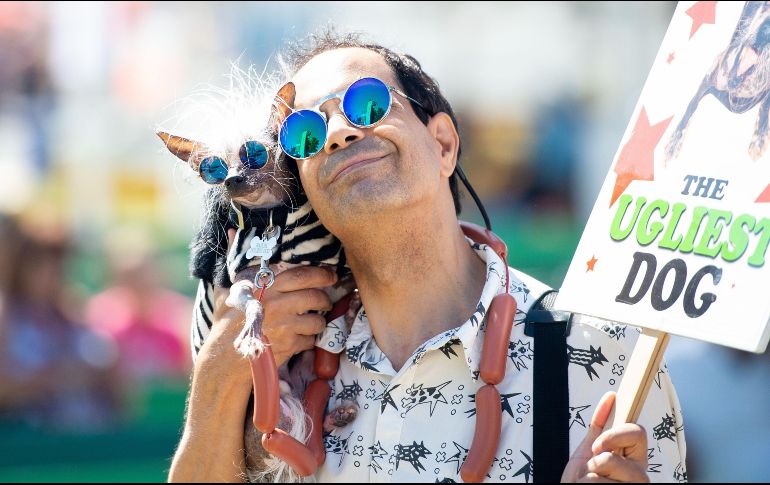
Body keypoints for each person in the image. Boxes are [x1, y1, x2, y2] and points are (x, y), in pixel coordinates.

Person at [168, 32, 686, 483]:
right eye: (305, 132)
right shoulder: (279, 369)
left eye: (366, 104)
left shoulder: (604, 352)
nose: (338, 133)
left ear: (443, 144)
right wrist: (219, 373)